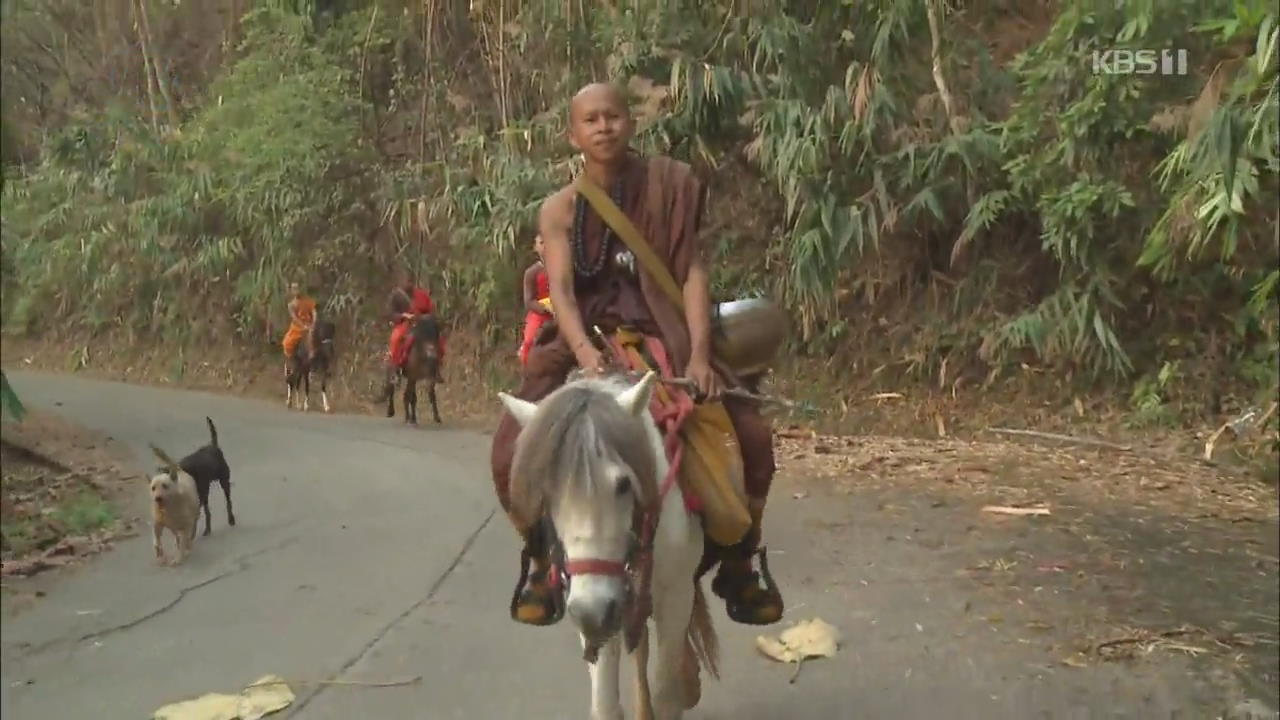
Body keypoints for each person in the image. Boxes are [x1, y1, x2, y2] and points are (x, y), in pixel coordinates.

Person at [490, 82, 784, 628]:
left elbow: (692, 271)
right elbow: (563, 290)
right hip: (587, 338)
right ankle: (539, 559)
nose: (603, 127)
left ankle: (742, 563)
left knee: (750, 435)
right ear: (573, 134)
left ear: (631, 122)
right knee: (512, 444)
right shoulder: (558, 210)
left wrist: (698, 356)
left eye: (613, 116)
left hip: (666, 332)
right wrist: (583, 351)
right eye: (591, 120)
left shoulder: (671, 186)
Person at [377, 268, 446, 405]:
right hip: (404, 324)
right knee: (396, 339)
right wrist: (404, 316)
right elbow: (390, 313)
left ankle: (436, 368)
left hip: (423, 324)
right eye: (405, 281)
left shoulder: (422, 295)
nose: (408, 284)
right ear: (401, 282)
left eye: (410, 281)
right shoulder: (396, 296)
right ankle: (395, 368)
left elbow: (430, 310)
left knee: (438, 339)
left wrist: (427, 317)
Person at [517, 235, 553, 366]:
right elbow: (529, 301)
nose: (545, 246)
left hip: (562, 310)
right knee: (530, 339)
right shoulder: (532, 272)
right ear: (535, 247)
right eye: (541, 243)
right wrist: (545, 307)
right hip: (540, 314)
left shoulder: (562, 267)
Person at [282, 282, 317, 378]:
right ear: (291, 291)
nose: (296, 290)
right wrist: (303, 326)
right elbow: (295, 318)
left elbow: (314, 312)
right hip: (297, 327)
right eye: (293, 288)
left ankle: (313, 361)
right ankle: (293, 363)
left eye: (297, 288)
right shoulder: (291, 305)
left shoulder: (308, 301)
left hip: (310, 324)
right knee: (287, 343)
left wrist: (313, 323)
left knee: (312, 338)